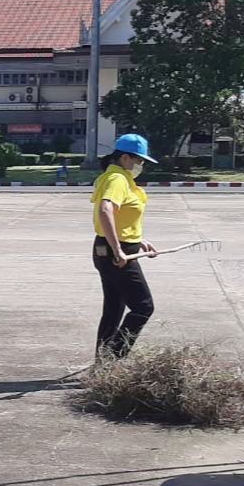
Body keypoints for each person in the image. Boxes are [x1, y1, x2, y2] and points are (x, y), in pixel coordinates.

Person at [91, 133, 159, 358]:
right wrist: (119, 249)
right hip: (115, 252)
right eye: (139, 160)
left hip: (109, 248)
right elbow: (106, 210)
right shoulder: (117, 179)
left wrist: (138, 240)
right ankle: (113, 357)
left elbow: (121, 218)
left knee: (114, 309)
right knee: (143, 306)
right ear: (126, 158)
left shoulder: (115, 177)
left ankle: (104, 363)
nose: (141, 165)